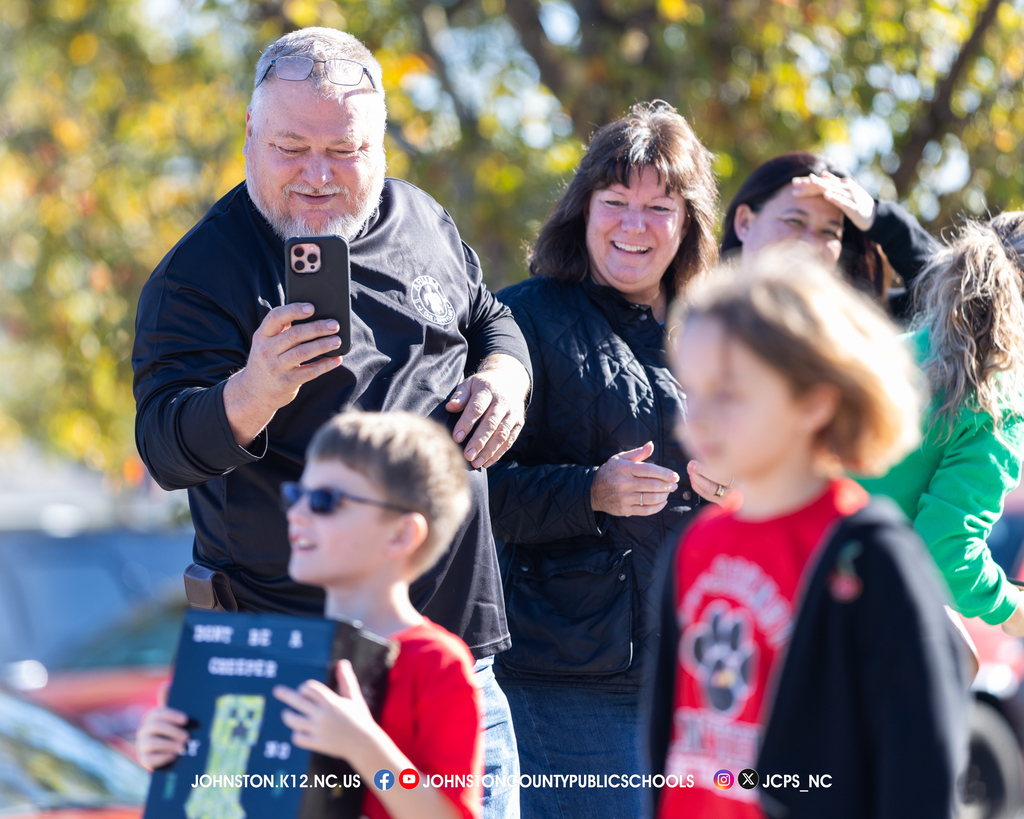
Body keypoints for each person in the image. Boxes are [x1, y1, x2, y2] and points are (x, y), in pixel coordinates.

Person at [131, 27, 529, 816]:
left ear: (380, 144)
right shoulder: (198, 275)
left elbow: (489, 316)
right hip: (290, 664)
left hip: (454, 655)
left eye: (343, 151)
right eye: (290, 147)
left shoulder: (422, 219)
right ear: (249, 135)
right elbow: (164, 447)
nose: (316, 176)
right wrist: (253, 391)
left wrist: (506, 374)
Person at [649, 251, 968, 818]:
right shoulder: (695, 544)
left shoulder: (871, 556)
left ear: (815, 400)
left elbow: (919, 767)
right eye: (690, 390)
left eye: (728, 393)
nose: (694, 419)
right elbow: (667, 741)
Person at [487, 100, 718, 818]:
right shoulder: (519, 320)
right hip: (567, 676)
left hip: (701, 665)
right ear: (582, 211)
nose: (634, 225)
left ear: (687, 223)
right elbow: (467, 491)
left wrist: (747, 481)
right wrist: (592, 491)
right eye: (615, 201)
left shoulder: (720, 330)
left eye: (659, 206)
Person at [138, 411, 483, 819]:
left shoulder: (435, 662)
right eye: (295, 496)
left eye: (325, 501)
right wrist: (172, 753)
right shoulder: (274, 651)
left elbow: (449, 813)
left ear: (402, 534)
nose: (297, 514)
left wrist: (367, 750)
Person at [858, 213, 1024, 635]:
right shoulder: (997, 400)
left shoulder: (894, 350)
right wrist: (1012, 611)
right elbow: (947, 553)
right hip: (853, 615)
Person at [720, 151, 937, 316]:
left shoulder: (863, 330)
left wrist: (879, 218)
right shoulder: (697, 324)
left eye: (830, 232)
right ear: (745, 222)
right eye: (795, 221)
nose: (812, 243)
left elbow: (956, 300)